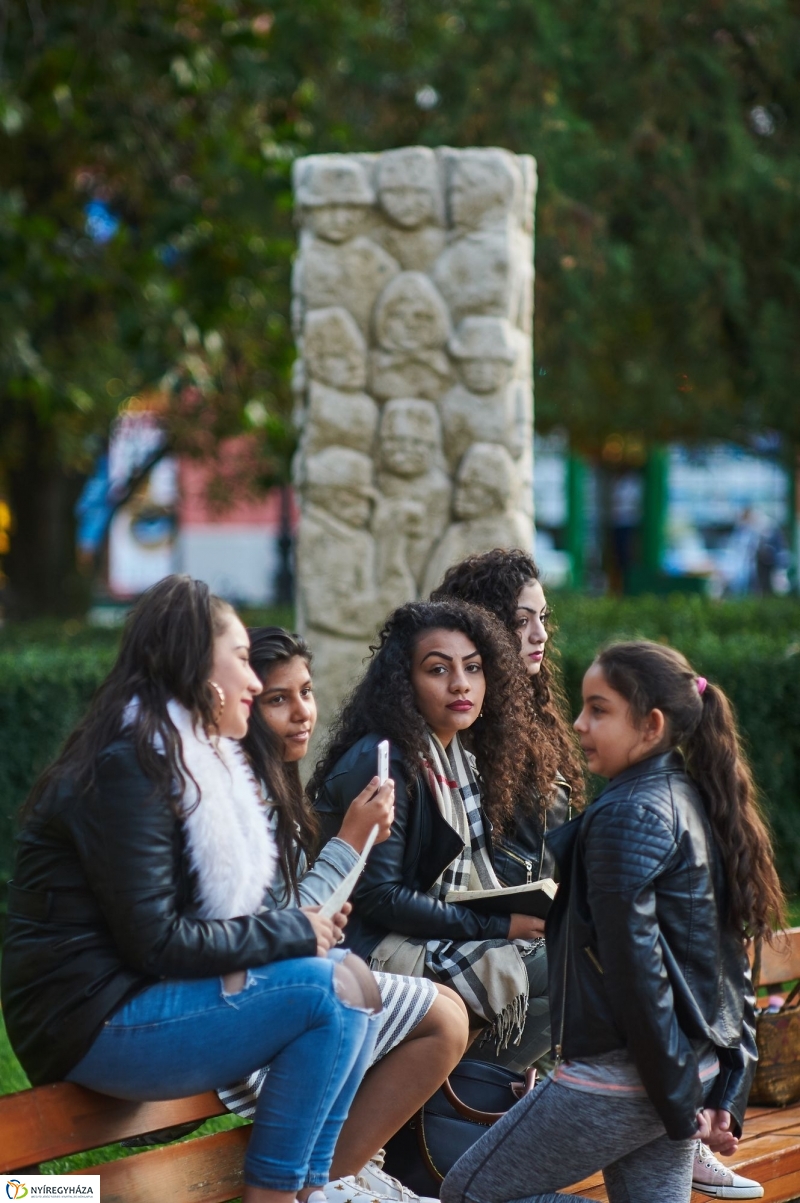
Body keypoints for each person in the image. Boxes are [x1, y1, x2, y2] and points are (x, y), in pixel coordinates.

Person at [1, 575, 382, 1203]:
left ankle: (312, 1189)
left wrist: (295, 934)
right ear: (198, 670)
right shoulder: (130, 767)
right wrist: (292, 930)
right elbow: (155, 941)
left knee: (352, 980)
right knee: (329, 992)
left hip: (134, 998)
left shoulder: (177, 759)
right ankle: (280, 1195)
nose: (253, 682)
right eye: (241, 660)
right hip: (88, 1021)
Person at [441, 640, 783, 1203]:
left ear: (651, 726)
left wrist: (680, 1101)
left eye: (599, 710)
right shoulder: (688, 795)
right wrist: (722, 1084)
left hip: (626, 1081)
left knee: (468, 1195)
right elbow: (727, 959)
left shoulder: (627, 815)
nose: (579, 724)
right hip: (677, 1071)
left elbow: (637, 977)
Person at [219, 626, 470, 1203]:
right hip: (251, 1007)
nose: (302, 712)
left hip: (289, 986)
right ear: (242, 707)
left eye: (306, 692)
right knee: (442, 1017)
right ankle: (329, 1182)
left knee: (437, 1003)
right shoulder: (238, 801)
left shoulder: (272, 786)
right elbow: (283, 926)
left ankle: (339, 1176)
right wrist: (353, 839)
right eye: (278, 699)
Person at [309, 598, 552, 1073]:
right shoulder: (386, 762)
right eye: (438, 670)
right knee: (571, 972)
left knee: (573, 955)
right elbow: (379, 897)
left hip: (419, 936)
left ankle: (457, 1091)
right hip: (371, 951)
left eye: (473, 668)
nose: (460, 683)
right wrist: (499, 927)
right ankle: (446, 1094)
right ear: (405, 682)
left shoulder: (457, 760)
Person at [431, 548, 584, 888]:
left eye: (542, 617)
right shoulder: (461, 725)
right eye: (521, 621)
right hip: (494, 913)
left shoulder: (532, 712)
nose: (540, 634)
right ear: (487, 626)